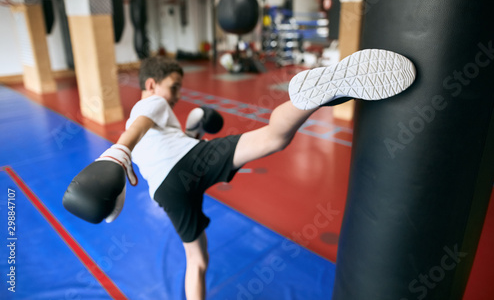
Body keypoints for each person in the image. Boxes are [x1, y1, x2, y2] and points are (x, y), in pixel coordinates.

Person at [65, 49, 416, 299]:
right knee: (273, 137)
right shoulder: (150, 103)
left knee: (197, 260)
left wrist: (190, 134)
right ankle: (308, 97)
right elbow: (139, 127)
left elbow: (152, 144)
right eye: (173, 88)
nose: (176, 96)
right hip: (187, 164)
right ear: (152, 84)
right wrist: (119, 152)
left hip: (168, 191)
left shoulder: (155, 111)